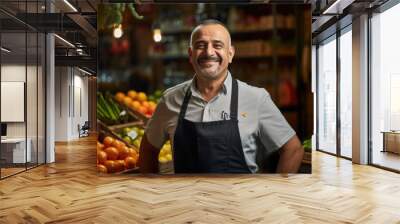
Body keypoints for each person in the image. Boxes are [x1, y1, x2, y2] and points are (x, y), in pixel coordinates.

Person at [139, 19, 304, 174]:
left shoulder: (256, 98)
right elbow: (148, 149)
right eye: (200, 45)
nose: (209, 52)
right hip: (187, 203)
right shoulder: (170, 99)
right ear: (190, 54)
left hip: (240, 202)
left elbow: (293, 149)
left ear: (230, 54)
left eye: (217, 45)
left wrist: (277, 193)